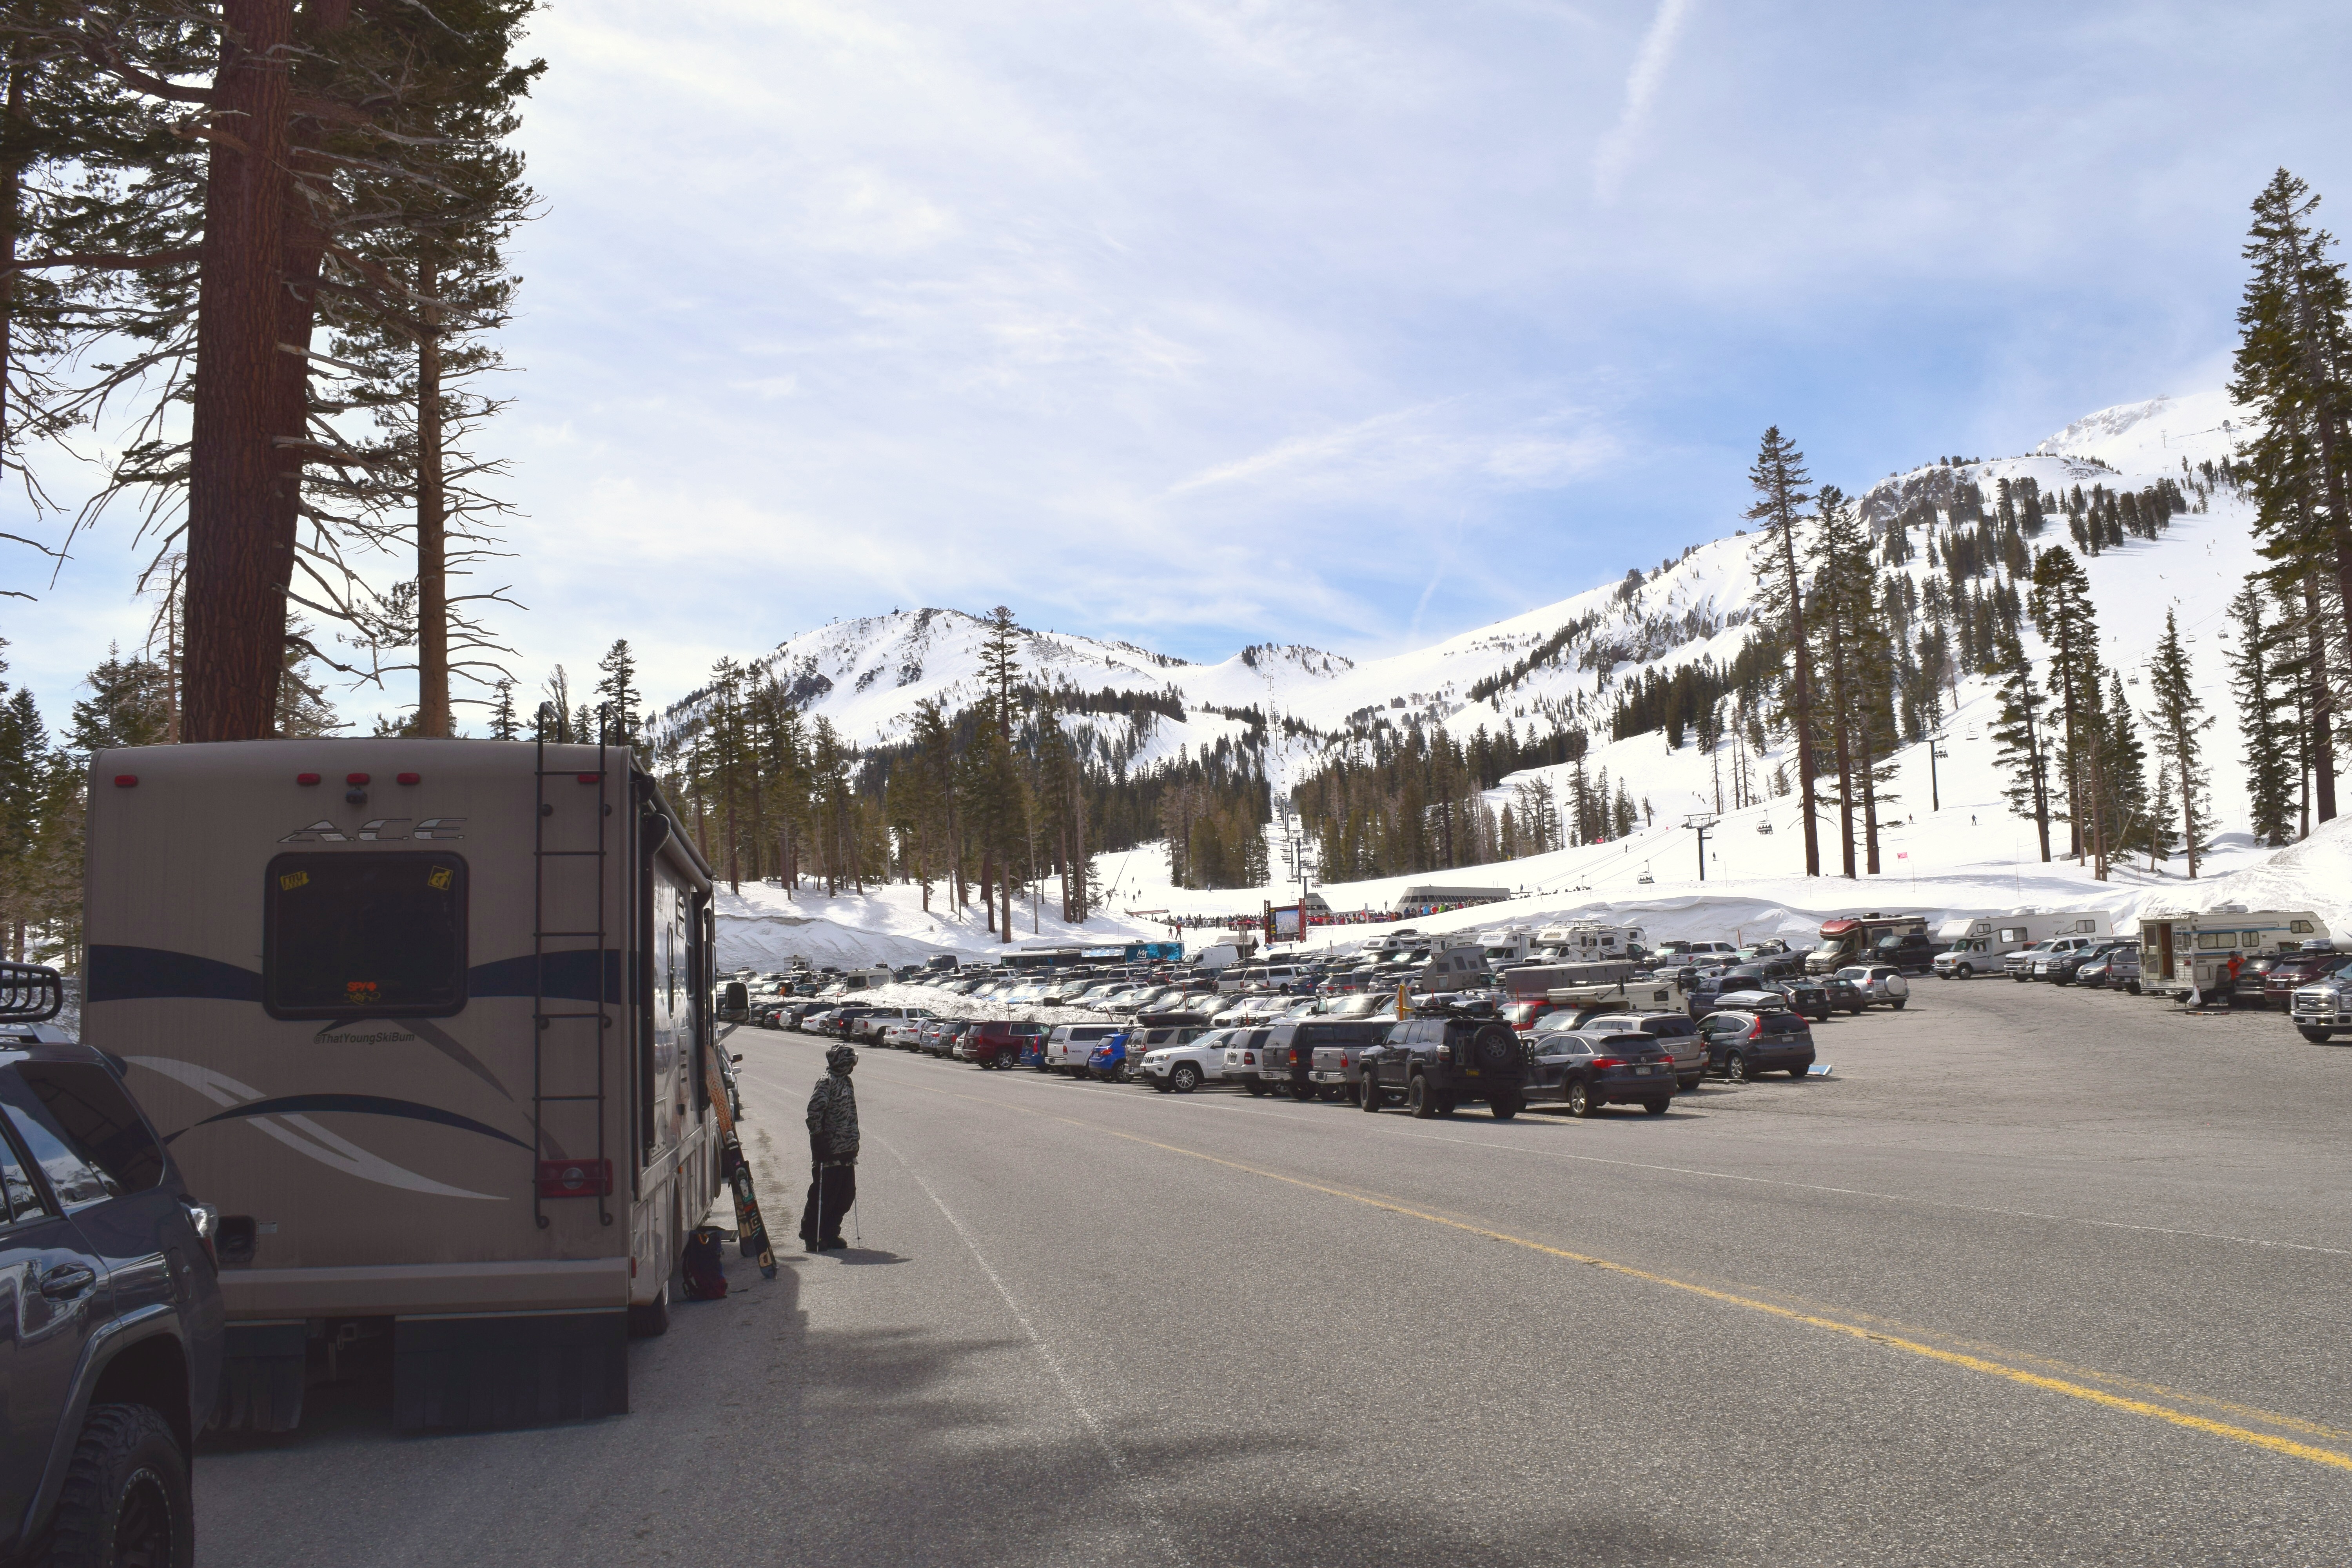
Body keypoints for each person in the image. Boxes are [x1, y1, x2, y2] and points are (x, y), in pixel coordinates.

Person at [800, 1044, 860, 1251]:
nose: (853, 1066)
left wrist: (854, 1142)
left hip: (846, 1150)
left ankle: (831, 1232)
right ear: (843, 1063)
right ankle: (812, 1234)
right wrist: (818, 1141)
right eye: (851, 1062)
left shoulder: (847, 1082)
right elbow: (814, 1113)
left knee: (846, 1195)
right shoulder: (826, 1083)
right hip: (829, 1150)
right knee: (825, 1194)